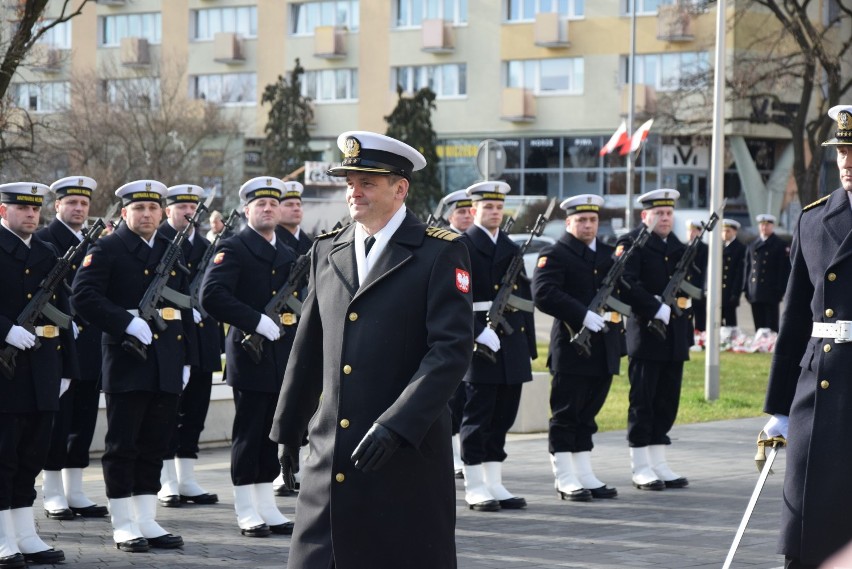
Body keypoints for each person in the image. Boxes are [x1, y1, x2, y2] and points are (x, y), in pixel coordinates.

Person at [269, 131, 473, 569]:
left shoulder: (440, 252)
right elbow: (308, 347)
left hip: (402, 459)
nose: (354, 192)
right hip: (330, 457)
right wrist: (287, 428)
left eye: (367, 182)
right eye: (349, 182)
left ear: (400, 189)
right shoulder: (328, 249)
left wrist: (397, 425)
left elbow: (450, 351)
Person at [72, 180, 189, 553]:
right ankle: (124, 522)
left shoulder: (170, 249)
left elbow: (182, 306)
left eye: (154, 209)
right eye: (139, 209)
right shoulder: (106, 248)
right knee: (123, 444)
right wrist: (124, 321)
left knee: (155, 443)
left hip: (165, 361)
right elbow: (83, 297)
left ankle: (146, 518)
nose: (148, 215)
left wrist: (183, 360)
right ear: (124, 213)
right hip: (126, 361)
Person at [762, 104, 852, 568]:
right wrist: (778, 405)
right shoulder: (814, 219)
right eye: (841, 151)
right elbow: (795, 317)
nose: (847, 162)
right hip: (817, 390)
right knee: (807, 516)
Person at [200, 177, 296, 538]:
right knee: (249, 432)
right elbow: (212, 295)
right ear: (246, 210)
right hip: (249, 353)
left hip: (280, 355)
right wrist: (254, 320)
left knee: (272, 433)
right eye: (261, 204)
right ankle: (245, 507)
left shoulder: (286, 251)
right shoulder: (234, 247)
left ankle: (266, 505)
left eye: (273, 204)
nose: (268, 209)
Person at [0, 182, 76, 566]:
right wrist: (4, 330)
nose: (31, 215)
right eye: (22, 209)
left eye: (35, 209)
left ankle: (24, 532)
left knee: (31, 455)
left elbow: (65, 316)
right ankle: (2, 538)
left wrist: (69, 369)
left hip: (43, 371)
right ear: (3, 212)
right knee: (3, 456)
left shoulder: (48, 252)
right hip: (5, 373)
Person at [532, 194, 623, 501]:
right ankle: (565, 476)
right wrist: (581, 313)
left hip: (603, 348)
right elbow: (543, 293)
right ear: (568, 222)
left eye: (592, 220)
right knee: (567, 413)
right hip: (571, 348)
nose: (587, 225)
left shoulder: (609, 255)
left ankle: (584, 472)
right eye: (581, 220)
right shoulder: (555, 254)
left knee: (588, 414)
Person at [457, 180, 537, 511]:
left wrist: (529, 346)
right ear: (474, 210)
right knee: (478, 416)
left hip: (511, 342)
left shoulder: (511, 245)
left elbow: (525, 298)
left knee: (503, 415)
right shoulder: (461, 246)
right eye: (487, 207)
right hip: (480, 343)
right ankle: (475, 485)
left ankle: (494, 482)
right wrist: (476, 330)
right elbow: (453, 297)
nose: (494, 212)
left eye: (498, 207)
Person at [36, 176, 108, 521]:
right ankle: (53, 493)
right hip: (61, 341)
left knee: (83, 418)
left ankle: (76, 491)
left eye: (83, 204)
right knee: (58, 420)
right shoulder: (45, 239)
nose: (79, 209)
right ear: (57, 205)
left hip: (91, 342)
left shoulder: (95, 243)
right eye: (71, 203)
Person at [616, 189, 696, 491]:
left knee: (667, 400)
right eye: (659, 213)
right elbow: (625, 283)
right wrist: (654, 306)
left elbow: (693, 283)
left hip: (673, 335)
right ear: (644, 216)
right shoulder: (632, 244)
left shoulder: (678, 246)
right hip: (645, 333)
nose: (665, 218)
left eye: (669, 213)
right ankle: (640, 465)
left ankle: (659, 461)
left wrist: (682, 304)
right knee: (643, 400)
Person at [156, 184, 221, 508]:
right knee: (169, 410)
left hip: (204, 336)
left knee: (196, 409)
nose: (188, 212)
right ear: (168, 210)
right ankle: (166, 479)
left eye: (192, 207)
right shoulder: (160, 241)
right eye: (181, 207)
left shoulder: (207, 245)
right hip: (171, 335)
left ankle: (187, 477)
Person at [271, 180, 314, 497]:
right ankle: (279, 467)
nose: (295, 208)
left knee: (306, 401)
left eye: (298, 203)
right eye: (288, 203)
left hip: (306, 329)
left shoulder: (311, 242)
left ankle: (297, 463)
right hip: (277, 331)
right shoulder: (276, 244)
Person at [442, 188, 475, 478]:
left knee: (465, 399)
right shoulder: (445, 243)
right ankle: (451, 454)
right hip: (455, 326)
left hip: (475, 325)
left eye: (469, 211)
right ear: (449, 215)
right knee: (452, 398)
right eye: (461, 212)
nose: (466, 216)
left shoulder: (472, 242)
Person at [745, 213, 790, 332]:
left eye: (767, 225)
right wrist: (746, 288)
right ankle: (759, 343)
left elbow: (783, 270)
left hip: (771, 290)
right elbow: (748, 268)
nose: (764, 228)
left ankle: (770, 344)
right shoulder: (752, 244)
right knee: (758, 322)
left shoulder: (780, 244)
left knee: (771, 324)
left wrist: (780, 290)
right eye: (762, 225)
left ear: (773, 226)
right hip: (755, 289)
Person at [275, 181, 313, 255]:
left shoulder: (311, 241)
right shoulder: (270, 240)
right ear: (276, 208)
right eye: (289, 205)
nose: (296, 208)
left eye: (298, 205)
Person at [684, 219, 709, 337]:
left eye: (694, 231)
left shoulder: (705, 249)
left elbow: (705, 269)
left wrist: (704, 288)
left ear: (699, 232)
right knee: (685, 313)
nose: (691, 233)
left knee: (699, 314)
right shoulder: (683, 247)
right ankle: (687, 335)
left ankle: (701, 336)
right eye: (689, 230)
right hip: (684, 286)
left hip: (698, 286)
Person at [721, 218, 746, 328]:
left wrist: (735, 293)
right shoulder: (719, 247)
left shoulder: (740, 248)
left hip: (730, 291)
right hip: (719, 293)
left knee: (730, 322)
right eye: (723, 231)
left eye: (728, 231)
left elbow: (739, 273)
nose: (725, 233)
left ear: (734, 232)